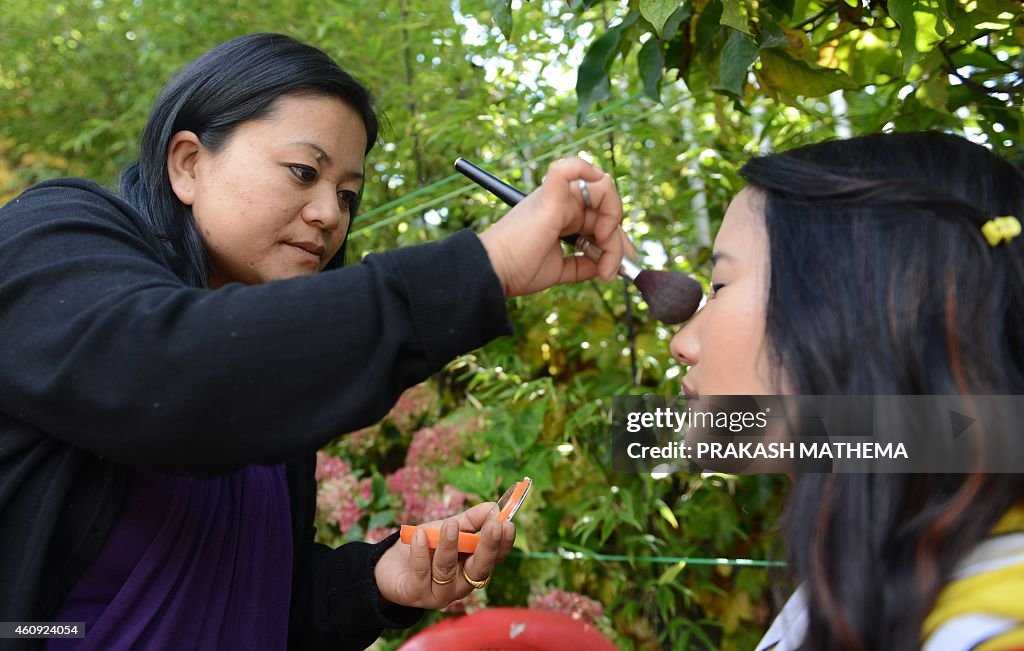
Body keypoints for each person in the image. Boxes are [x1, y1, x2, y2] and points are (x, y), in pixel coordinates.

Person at [0, 33, 627, 650]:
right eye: (304, 172)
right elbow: (168, 376)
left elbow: (250, 599)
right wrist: (484, 266)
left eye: (348, 195)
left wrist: (380, 582)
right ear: (188, 163)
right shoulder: (52, 237)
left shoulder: (270, 379)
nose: (330, 214)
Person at [668, 131, 1024, 650]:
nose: (683, 343)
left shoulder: (992, 628)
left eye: (720, 287)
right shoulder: (874, 576)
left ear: (844, 306)